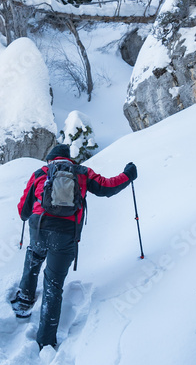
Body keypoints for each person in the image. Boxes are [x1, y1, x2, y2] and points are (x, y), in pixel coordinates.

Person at [13, 144, 137, 350]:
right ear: (68, 159)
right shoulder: (81, 172)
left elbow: (23, 210)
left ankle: (25, 300)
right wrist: (128, 175)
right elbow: (107, 187)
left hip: (39, 227)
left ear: (50, 159)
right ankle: (45, 340)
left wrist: (30, 215)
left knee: (34, 256)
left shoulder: (40, 173)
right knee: (53, 285)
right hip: (65, 233)